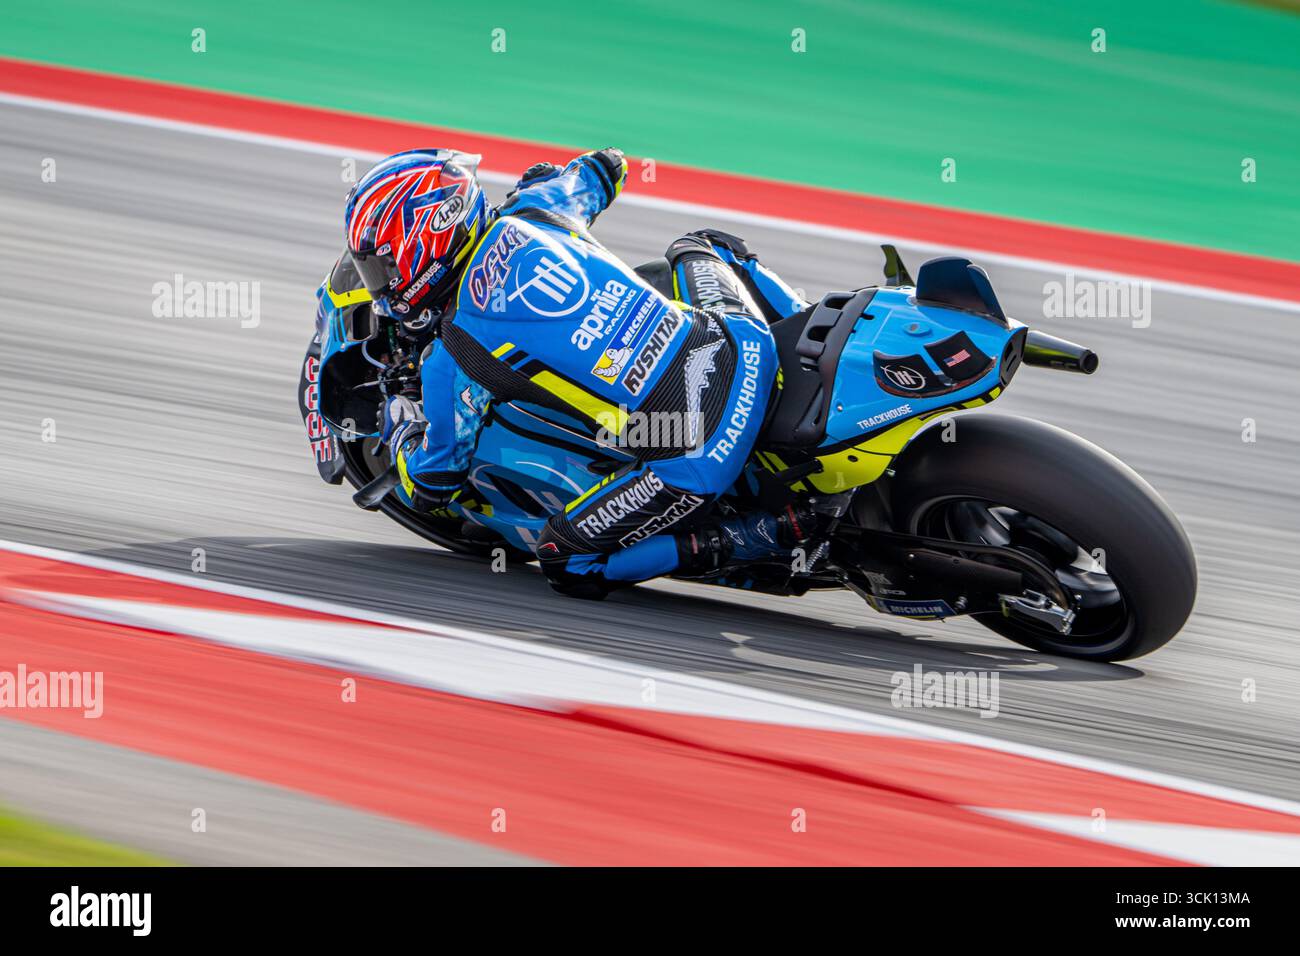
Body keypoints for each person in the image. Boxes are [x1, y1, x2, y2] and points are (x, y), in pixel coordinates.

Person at [342, 146, 809, 598]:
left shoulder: (453, 354)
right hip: (742, 343)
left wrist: (402, 431)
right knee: (702, 246)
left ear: (425, 242)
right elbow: (609, 167)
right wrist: (547, 176)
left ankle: (764, 533)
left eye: (381, 266)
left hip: (701, 451)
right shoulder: (536, 208)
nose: (380, 283)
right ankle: (806, 325)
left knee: (564, 561)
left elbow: (432, 484)